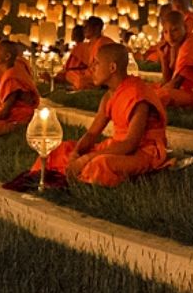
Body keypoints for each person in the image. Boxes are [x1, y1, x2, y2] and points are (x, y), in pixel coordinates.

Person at [42, 43, 170, 187]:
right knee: (63, 150)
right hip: (117, 146)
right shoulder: (108, 97)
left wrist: (86, 159)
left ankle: (79, 176)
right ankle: (74, 172)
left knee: (100, 164)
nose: (92, 69)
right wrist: (76, 153)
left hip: (144, 152)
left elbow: (131, 144)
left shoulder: (137, 94)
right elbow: (91, 134)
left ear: (112, 68)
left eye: (96, 63)